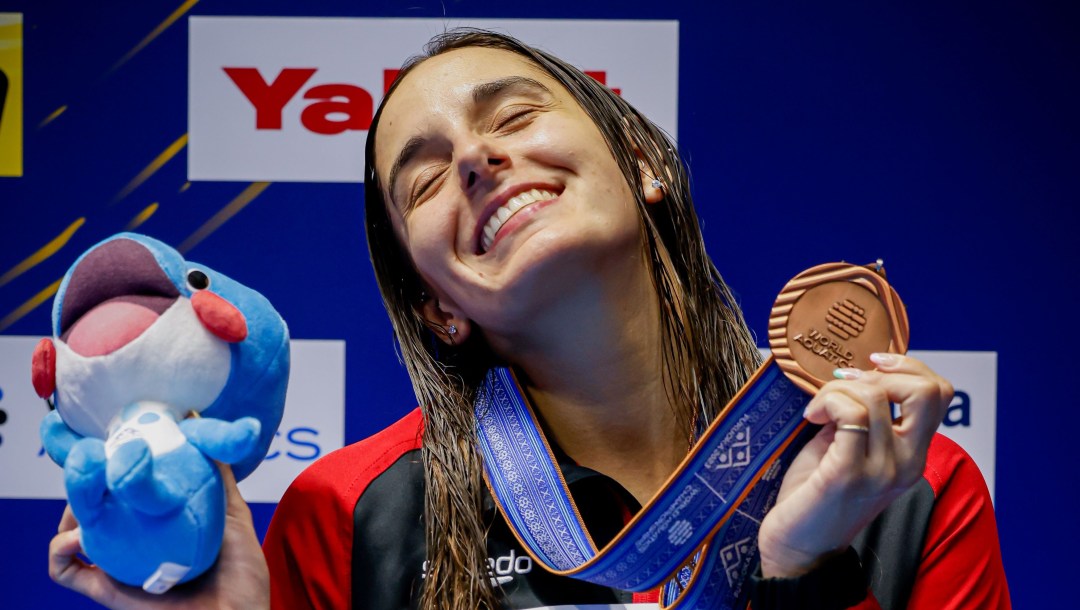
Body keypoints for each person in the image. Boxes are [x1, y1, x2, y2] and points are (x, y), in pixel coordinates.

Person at [48, 29, 1010, 609]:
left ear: (645, 163)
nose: (475, 160)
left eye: (513, 118)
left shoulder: (904, 481)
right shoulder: (347, 514)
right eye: (424, 178)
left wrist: (803, 572)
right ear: (438, 304)